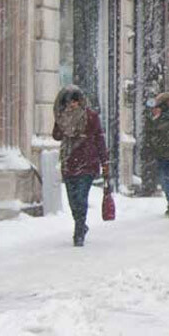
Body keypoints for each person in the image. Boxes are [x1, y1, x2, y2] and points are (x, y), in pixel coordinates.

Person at [53, 85, 109, 246]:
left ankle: (78, 230)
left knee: (81, 197)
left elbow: (99, 138)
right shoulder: (62, 117)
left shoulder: (91, 117)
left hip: (87, 163)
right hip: (69, 163)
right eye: (69, 101)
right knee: (72, 199)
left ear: (80, 101)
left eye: (75, 101)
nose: (72, 104)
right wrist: (60, 122)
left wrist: (104, 160)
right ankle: (81, 223)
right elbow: (56, 136)